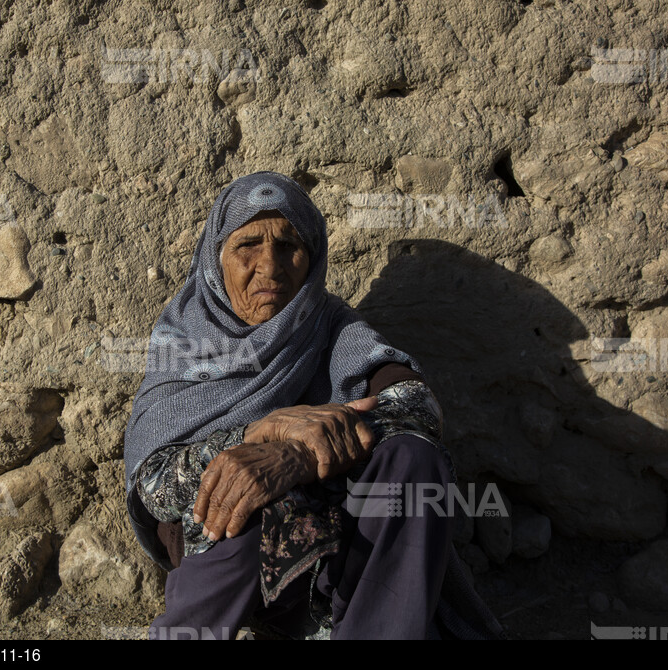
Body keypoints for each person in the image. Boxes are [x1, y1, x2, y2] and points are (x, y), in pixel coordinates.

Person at [124, 172, 502, 640]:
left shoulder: (332, 328)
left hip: (343, 558)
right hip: (230, 558)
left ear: (313, 258)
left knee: (413, 455)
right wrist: (258, 436)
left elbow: (419, 405)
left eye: (289, 246)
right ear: (215, 257)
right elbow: (154, 488)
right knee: (241, 486)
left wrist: (301, 454)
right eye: (248, 246)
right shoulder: (185, 339)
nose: (270, 266)